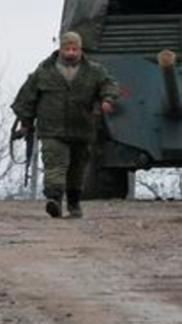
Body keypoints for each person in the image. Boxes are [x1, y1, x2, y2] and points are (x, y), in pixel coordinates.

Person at [11, 31, 118, 218]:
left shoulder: (94, 71)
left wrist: (107, 99)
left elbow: (109, 84)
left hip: (82, 128)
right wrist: (25, 123)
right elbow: (27, 98)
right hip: (52, 129)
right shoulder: (44, 71)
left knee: (78, 168)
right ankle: (54, 200)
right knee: (55, 164)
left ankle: (74, 203)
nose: (70, 53)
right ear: (60, 49)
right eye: (67, 49)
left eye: (74, 49)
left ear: (80, 49)